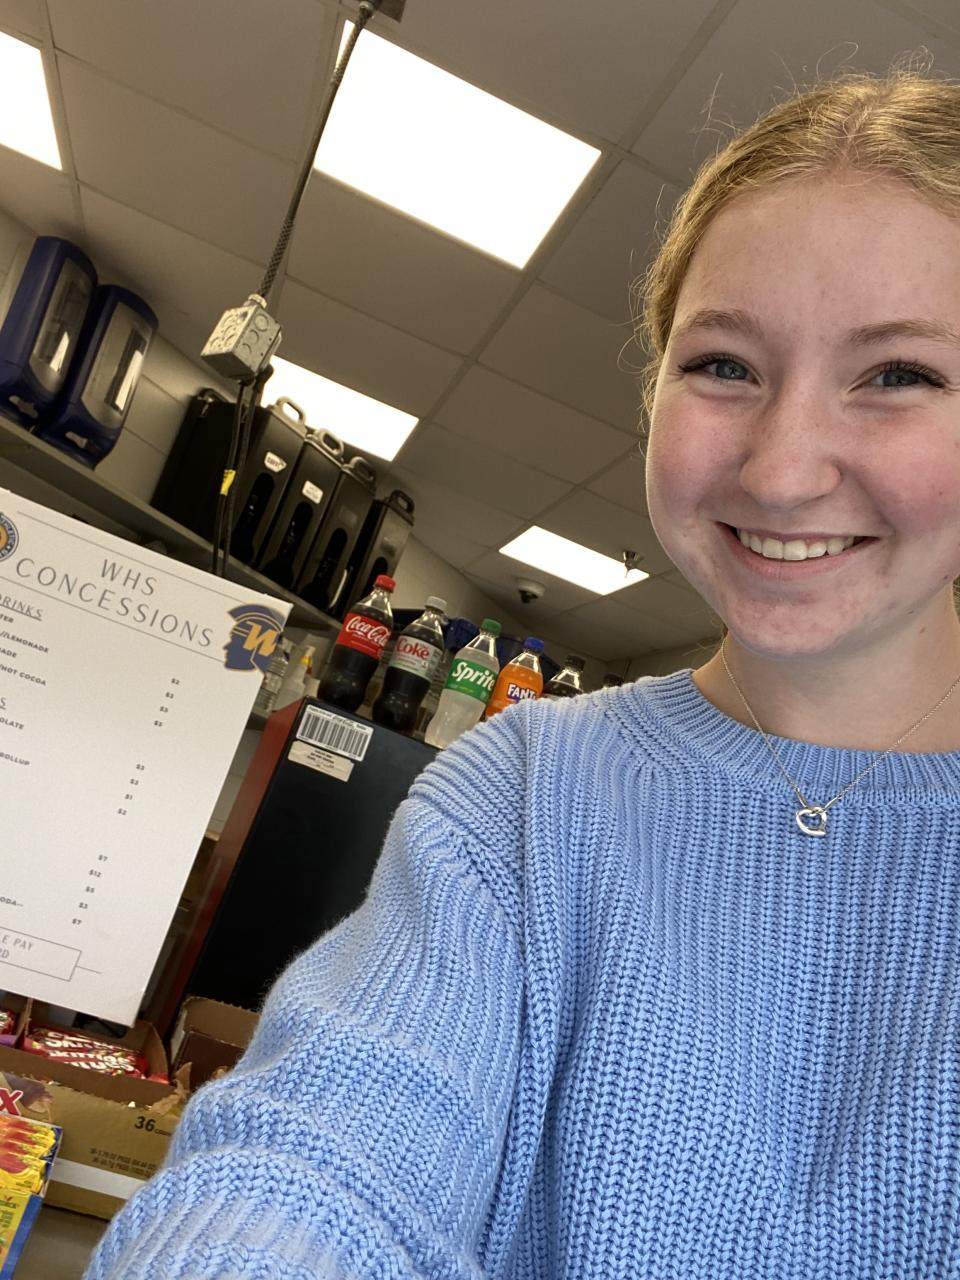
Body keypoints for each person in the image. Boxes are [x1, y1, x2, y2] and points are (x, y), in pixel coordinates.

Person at [86, 66, 960, 1278]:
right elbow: (325, 1156)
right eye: (723, 363)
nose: (781, 466)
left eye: (899, 375)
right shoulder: (523, 790)